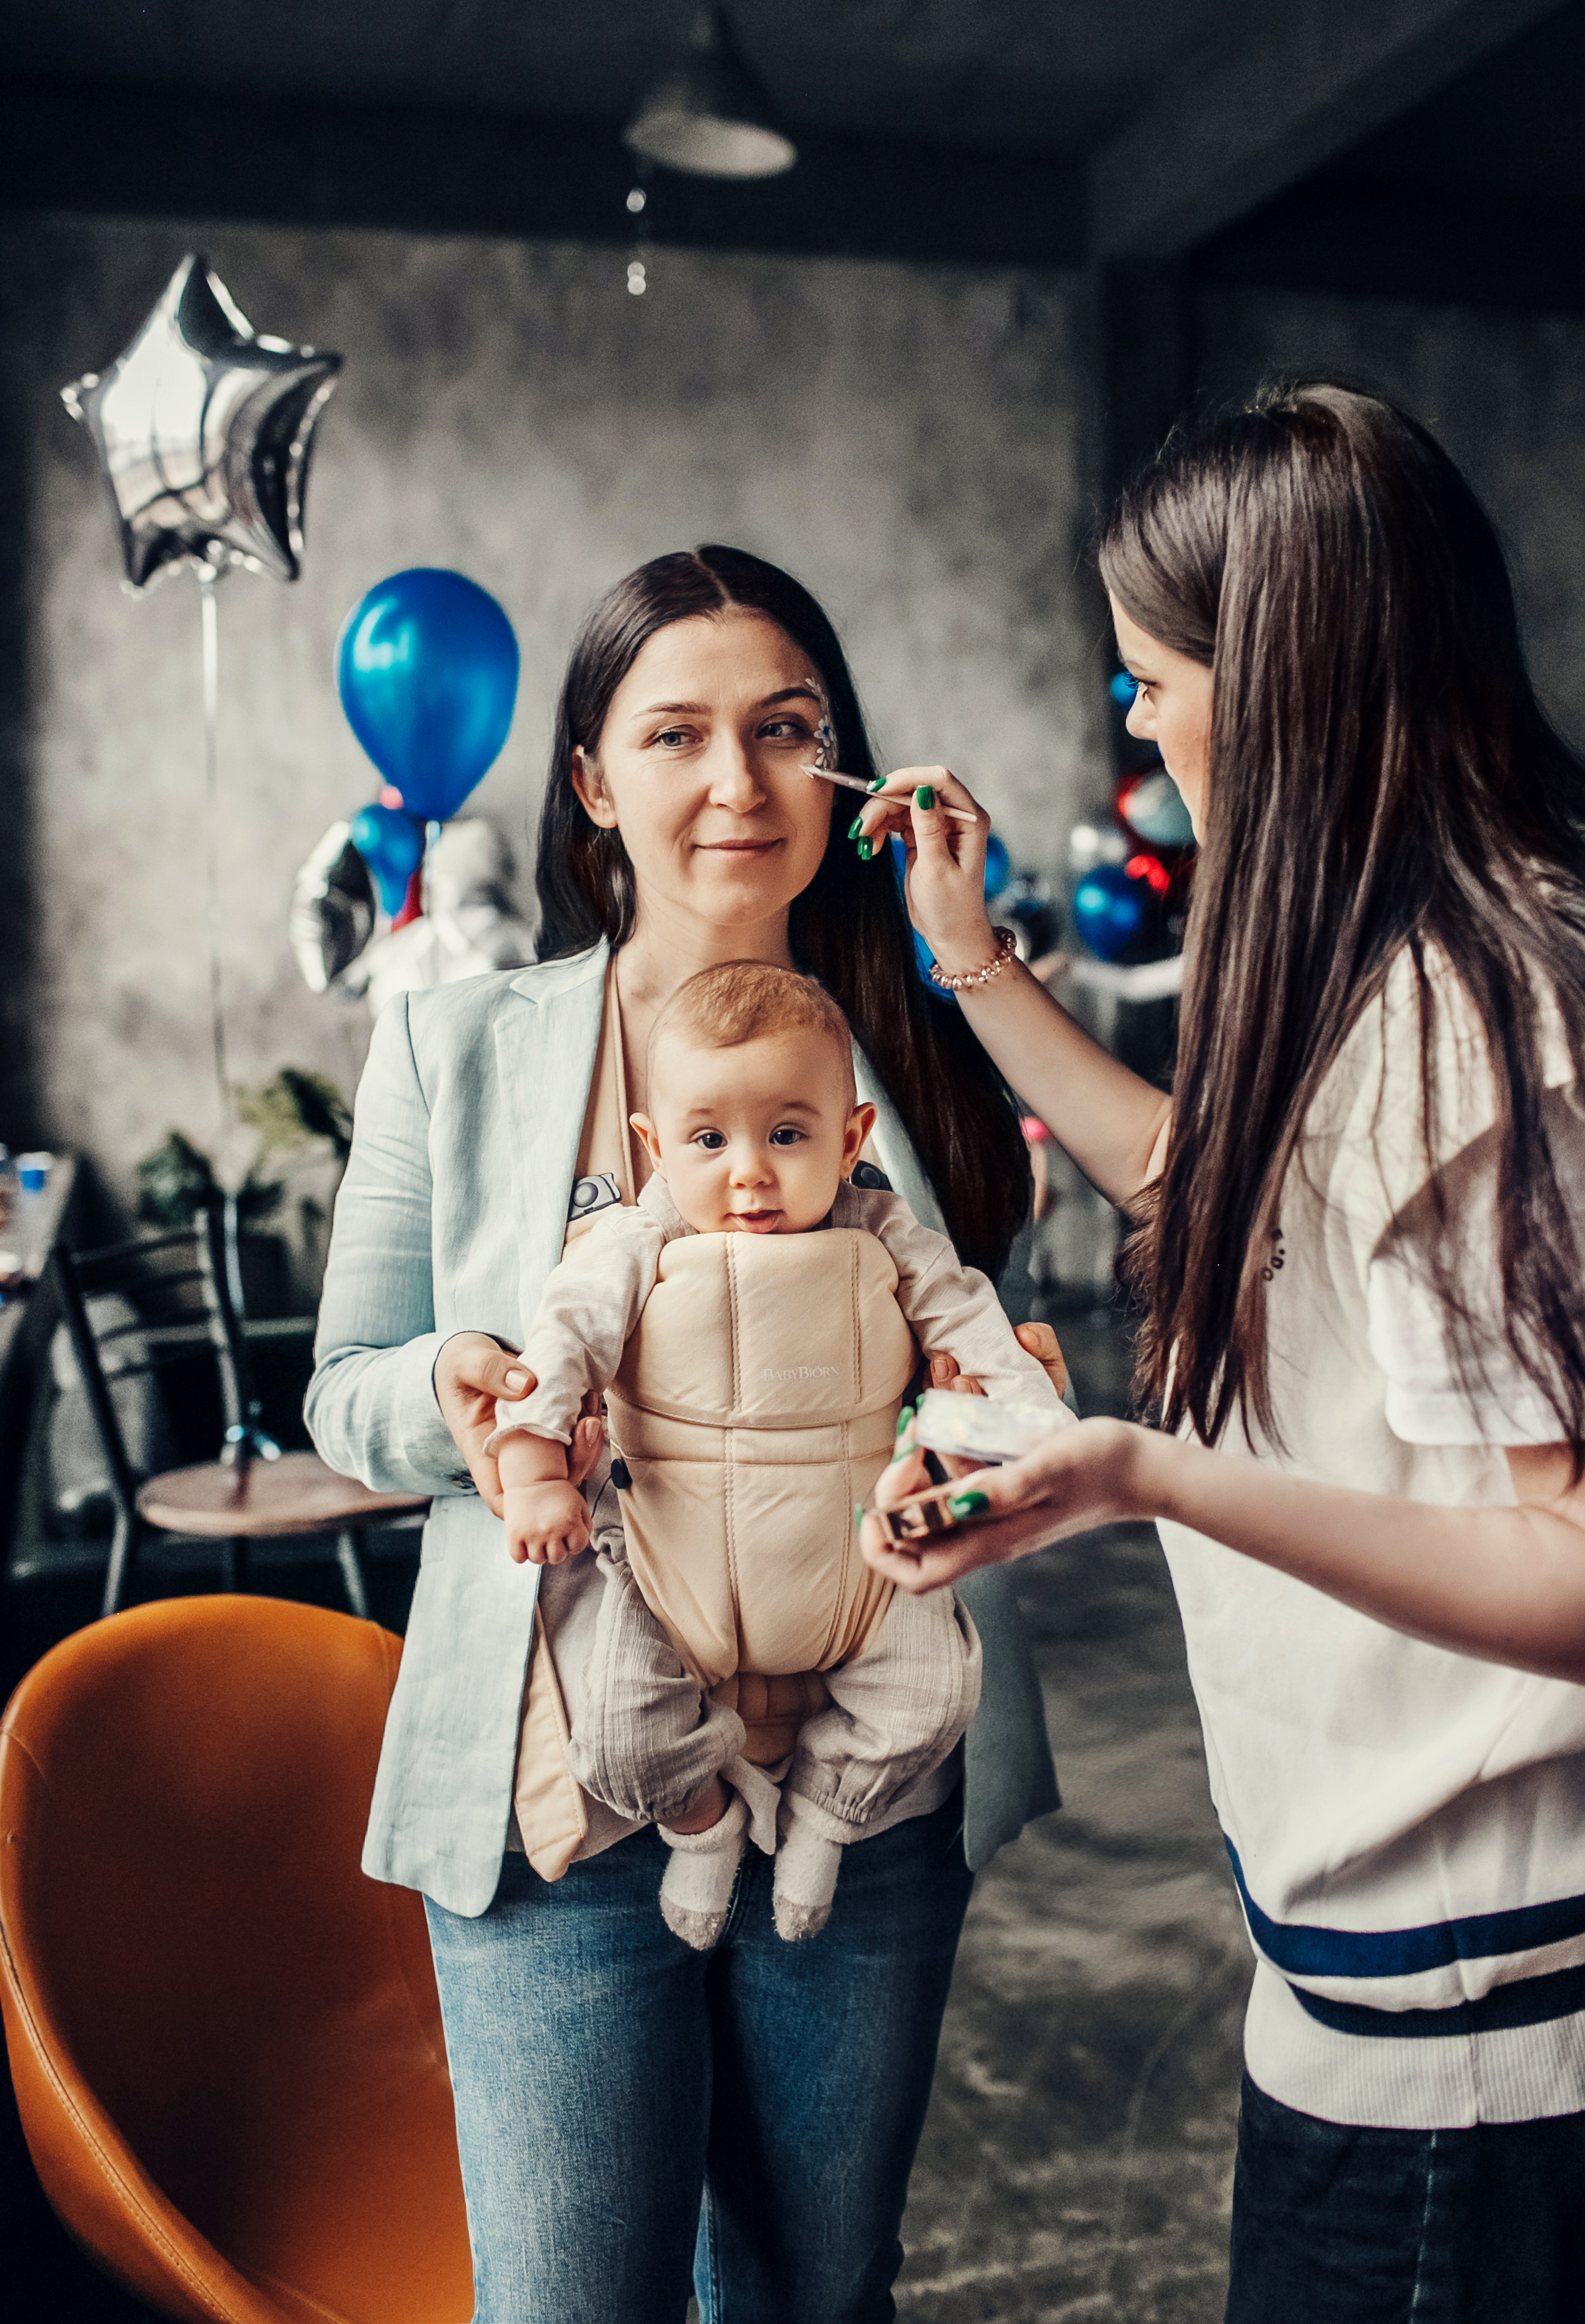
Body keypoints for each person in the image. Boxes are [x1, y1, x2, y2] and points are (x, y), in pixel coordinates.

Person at [850, 384, 1585, 2321]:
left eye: (1152, 677)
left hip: (1479, 2039)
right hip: (1369, 1979)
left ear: (1274, 679)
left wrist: (1145, 1468)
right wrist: (976, 959)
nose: (1139, 722)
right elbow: (1226, 1178)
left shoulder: (1462, 1014)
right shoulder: (1386, 960)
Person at [305, 544, 1065, 2324]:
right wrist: (465, 1381)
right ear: (590, 779)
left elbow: (979, 1363)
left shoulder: (926, 1049)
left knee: (819, 2289)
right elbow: (345, 1388)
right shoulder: (452, 1044)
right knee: (578, 2298)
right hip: (558, 1771)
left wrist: (976, 1425)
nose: (738, 782)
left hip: (861, 1770)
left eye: (788, 730)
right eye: (677, 733)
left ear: (847, 772)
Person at [489, 957, 1072, 1950]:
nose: (750, 1170)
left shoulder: (892, 1236)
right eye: (709, 1139)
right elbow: (563, 1340)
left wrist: (1033, 1434)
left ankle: (827, 1816)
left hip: (861, 1570)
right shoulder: (630, 1245)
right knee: (618, 1724)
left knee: (934, 1690)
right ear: (656, 1146)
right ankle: (702, 1820)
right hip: (678, 1587)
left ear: (851, 1139)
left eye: (788, 1134)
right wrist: (538, 1465)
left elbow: (975, 1325)